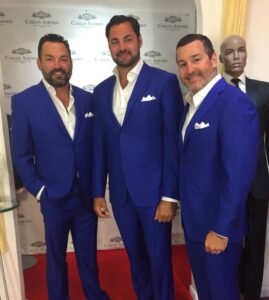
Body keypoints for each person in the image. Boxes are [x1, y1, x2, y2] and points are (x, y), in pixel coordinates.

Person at [92, 15, 184, 300]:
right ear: (108, 46)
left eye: (128, 39)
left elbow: (173, 143)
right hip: (121, 196)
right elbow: (100, 146)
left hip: (155, 195)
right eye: (115, 41)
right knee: (137, 262)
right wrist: (98, 192)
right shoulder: (101, 90)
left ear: (140, 40)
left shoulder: (164, 83)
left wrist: (170, 196)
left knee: (159, 262)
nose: (122, 46)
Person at [11, 34, 109, 300]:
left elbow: (97, 149)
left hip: (85, 196)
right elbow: (21, 155)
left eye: (63, 59)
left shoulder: (89, 100)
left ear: (71, 63)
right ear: (39, 63)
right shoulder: (24, 103)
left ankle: (94, 295)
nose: (58, 65)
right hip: (53, 197)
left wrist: (97, 190)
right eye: (50, 59)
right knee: (55, 258)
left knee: (88, 256)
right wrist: (41, 190)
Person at [176, 33, 259, 300]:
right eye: (182, 63)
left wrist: (221, 229)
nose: (190, 70)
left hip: (218, 229)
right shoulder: (190, 104)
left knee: (222, 294)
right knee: (207, 292)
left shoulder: (234, 103)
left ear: (213, 59)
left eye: (196, 59)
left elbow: (238, 174)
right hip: (195, 225)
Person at [220, 34, 269, 300]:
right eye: (230, 51)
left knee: (255, 247)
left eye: (241, 50)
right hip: (225, 187)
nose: (236, 56)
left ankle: (250, 295)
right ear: (220, 58)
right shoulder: (213, 91)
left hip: (258, 185)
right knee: (227, 246)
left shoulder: (265, 91)